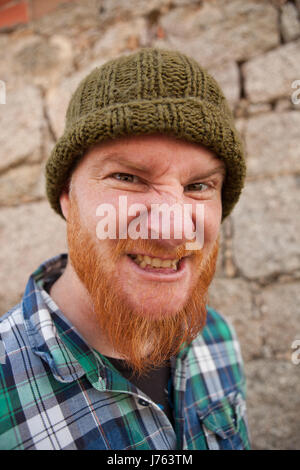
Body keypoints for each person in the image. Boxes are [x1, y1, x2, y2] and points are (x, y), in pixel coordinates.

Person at [0, 47, 251, 450]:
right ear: (68, 196)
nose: (172, 232)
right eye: (128, 177)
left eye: (198, 186)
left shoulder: (218, 337)